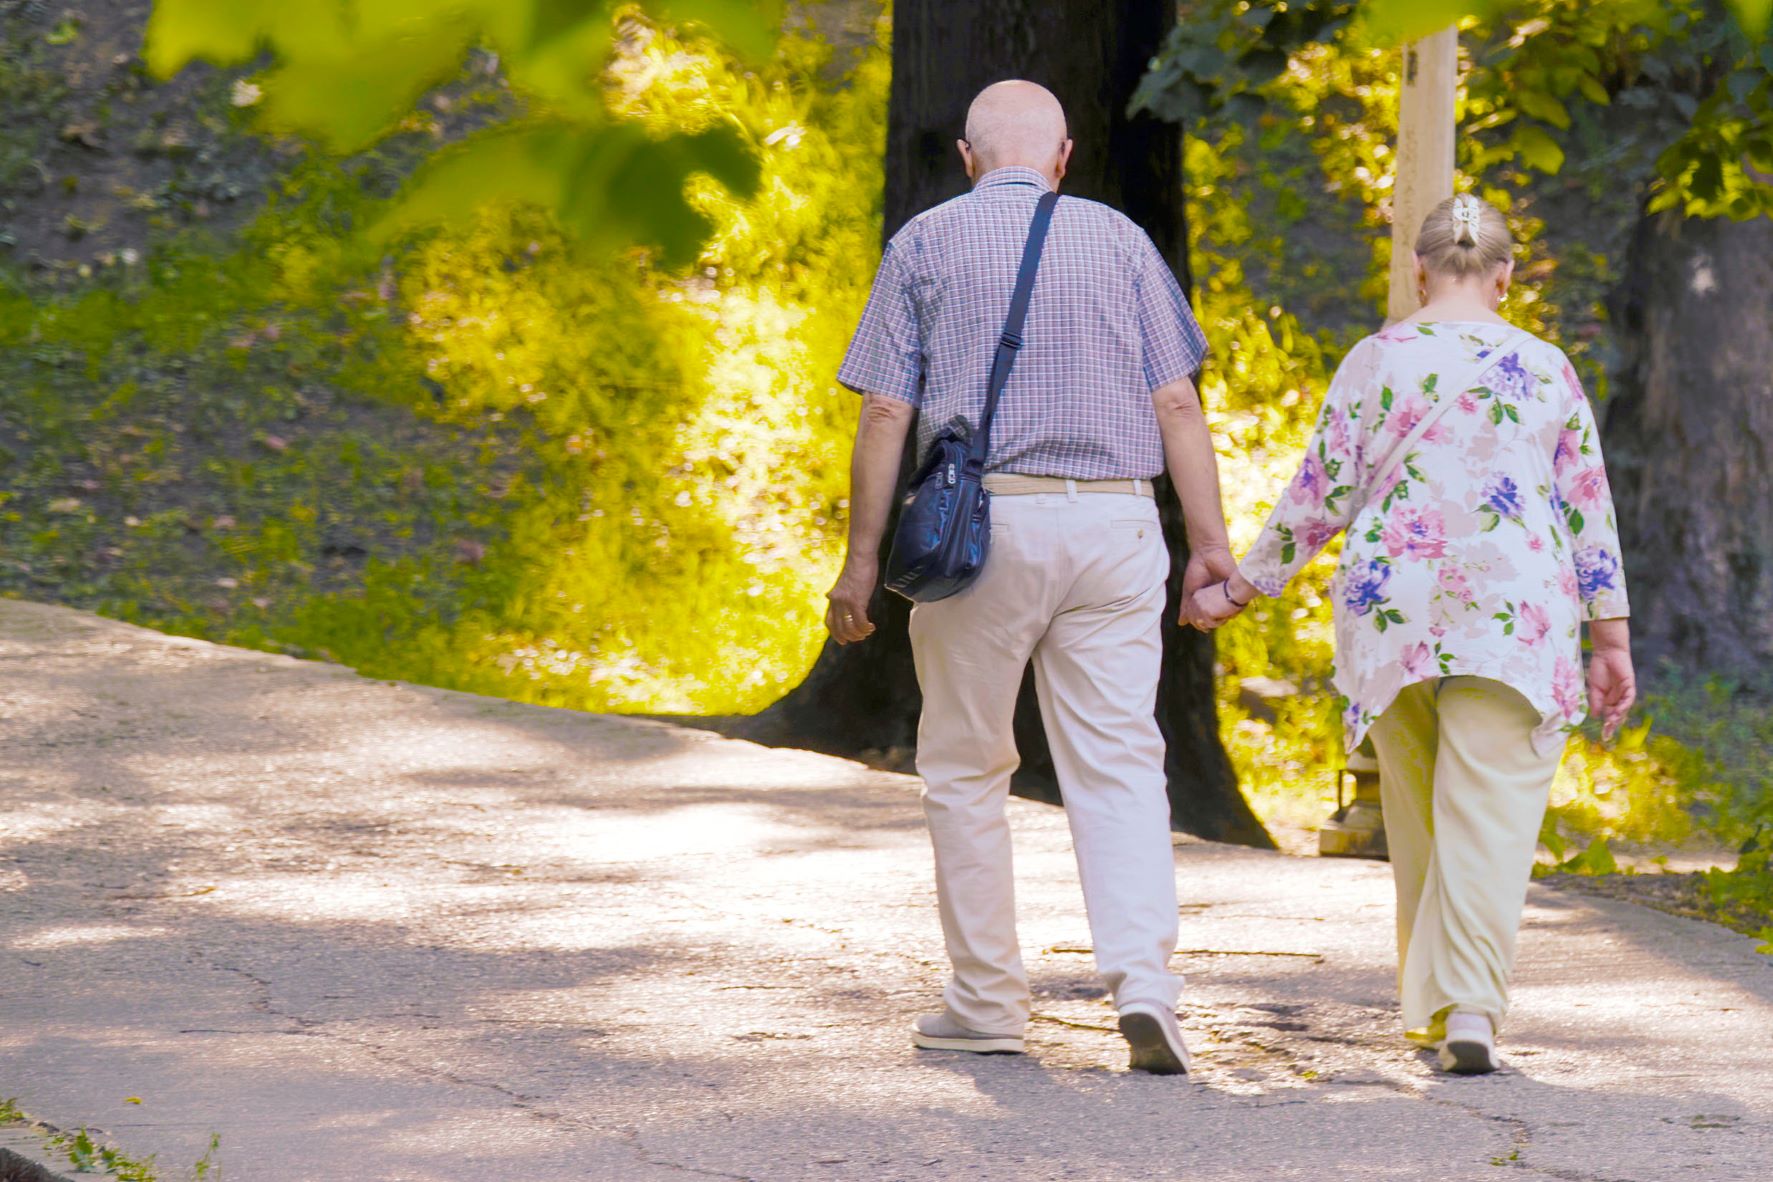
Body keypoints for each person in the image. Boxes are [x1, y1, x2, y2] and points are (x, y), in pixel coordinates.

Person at [824, 80, 1235, 1075]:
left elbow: (885, 415)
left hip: (982, 531)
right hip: (1115, 526)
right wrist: (1210, 549)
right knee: (1121, 763)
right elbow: (1176, 403)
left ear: (969, 158)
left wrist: (863, 561)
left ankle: (986, 1001)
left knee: (966, 766)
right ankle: (1144, 983)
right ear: (1063, 158)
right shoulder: (1120, 241)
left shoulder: (925, 242)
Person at [1185, 194, 1636, 1074]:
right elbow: (1587, 508)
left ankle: (1431, 1010)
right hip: (1514, 611)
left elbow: (1318, 494)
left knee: (1418, 808)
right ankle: (1466, 1005)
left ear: (1416, 268)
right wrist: (1609, 637)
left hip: (1397, 609)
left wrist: (1240, 588)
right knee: (1491, 811)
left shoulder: (1374, 360)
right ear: (1505, 277)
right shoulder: (1547, 367)